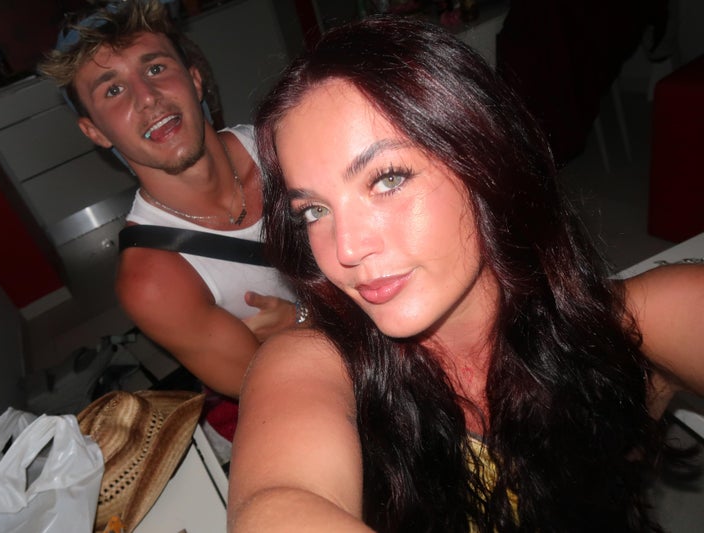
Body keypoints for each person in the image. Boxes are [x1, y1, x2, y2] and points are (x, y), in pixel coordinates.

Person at [227, 16, 704, 532]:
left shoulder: (641, 322)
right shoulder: (312, 365)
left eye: (387, 179)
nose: (346, 248)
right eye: (314, 211)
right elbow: (277, 504)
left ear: (486, 161)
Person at [38, 0, 298, 404]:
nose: (147, 97)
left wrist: (302, 324)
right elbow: (274, 397)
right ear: (94, 131)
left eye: (156, 68)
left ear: (195, 80)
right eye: (113, 90)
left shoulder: (287, 147)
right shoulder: (154, 282)